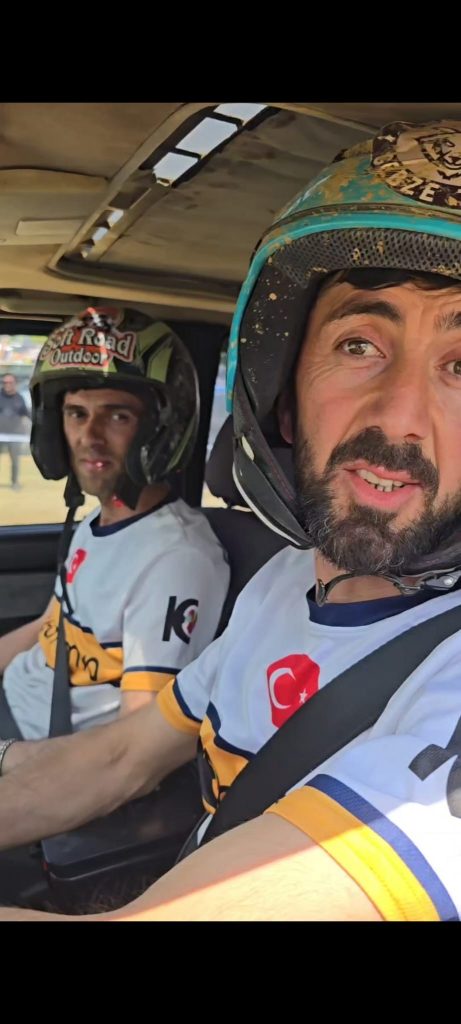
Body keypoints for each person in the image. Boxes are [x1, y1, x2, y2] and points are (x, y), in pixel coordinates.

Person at [1, 119, 461, 921]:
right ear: (283, 398)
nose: (398, 417)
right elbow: (119, 757)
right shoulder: (283, 583)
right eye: (358, 345)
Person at [0, 307, 230, 740]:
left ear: (159, 431)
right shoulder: (95, 523)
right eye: (76, 414)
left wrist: (16, 764)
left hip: (39, 744)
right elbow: (49, 628)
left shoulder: (176, 559)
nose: (90, 436)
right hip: (15, 705)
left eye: (117, 416)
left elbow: (134, 739)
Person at [0, 373, 30, 489]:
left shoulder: (20, 398)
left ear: (15, 384)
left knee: (15, 461)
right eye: (4, 382)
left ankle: (14, 482)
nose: (7, 385)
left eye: (10, 382)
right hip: (0, 434)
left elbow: (25, 413)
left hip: (15, 435)